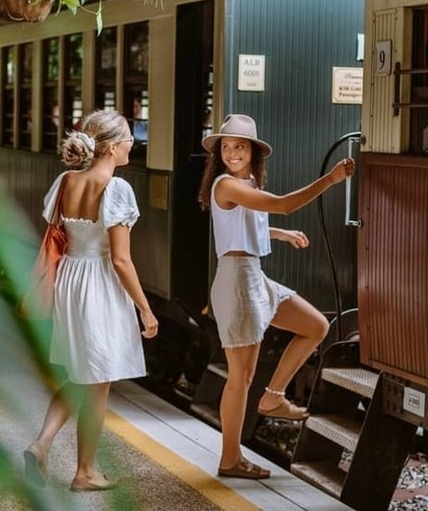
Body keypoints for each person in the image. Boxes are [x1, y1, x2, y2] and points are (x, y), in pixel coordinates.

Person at [198, 113, 355, 479]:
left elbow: (249, 224)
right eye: (226, 148)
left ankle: (273, 397)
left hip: (254, 277)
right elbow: (282, 203)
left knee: (315, 325)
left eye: (239, 147)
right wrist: (330, 180)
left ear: (253, 152)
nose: (232, 154)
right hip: (237, 282)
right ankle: (230, 458)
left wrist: (280, 235)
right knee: (240, 378)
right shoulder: (225, 185)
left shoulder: (246, 183)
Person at [24, 110, 159, 491]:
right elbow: (120, 259)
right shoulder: (117, 189)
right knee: (98, 382)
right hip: (99, 283)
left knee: (78, 374)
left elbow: (57, 230)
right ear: (114, 147)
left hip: (70, 278)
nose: (134, 143)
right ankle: (84, 472)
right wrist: (144, 309)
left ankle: (41, 444)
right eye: (130, 137)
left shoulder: (66, 181)